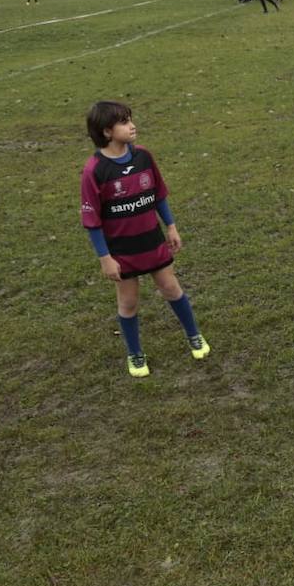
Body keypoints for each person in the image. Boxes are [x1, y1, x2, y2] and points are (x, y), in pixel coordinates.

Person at [79, 100, 210, 378]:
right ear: (106, 132)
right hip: (122, 250)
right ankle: (135, 353)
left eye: (131, 119)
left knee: (171, 288)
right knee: (128, 303)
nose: (132, 125)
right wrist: (105, 258)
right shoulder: (95, 170)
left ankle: (194, 335)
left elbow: (159, 195)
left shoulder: (143, 157)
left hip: (152, 239)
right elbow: (93, 221)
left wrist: (171, 227)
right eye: (124, 122)